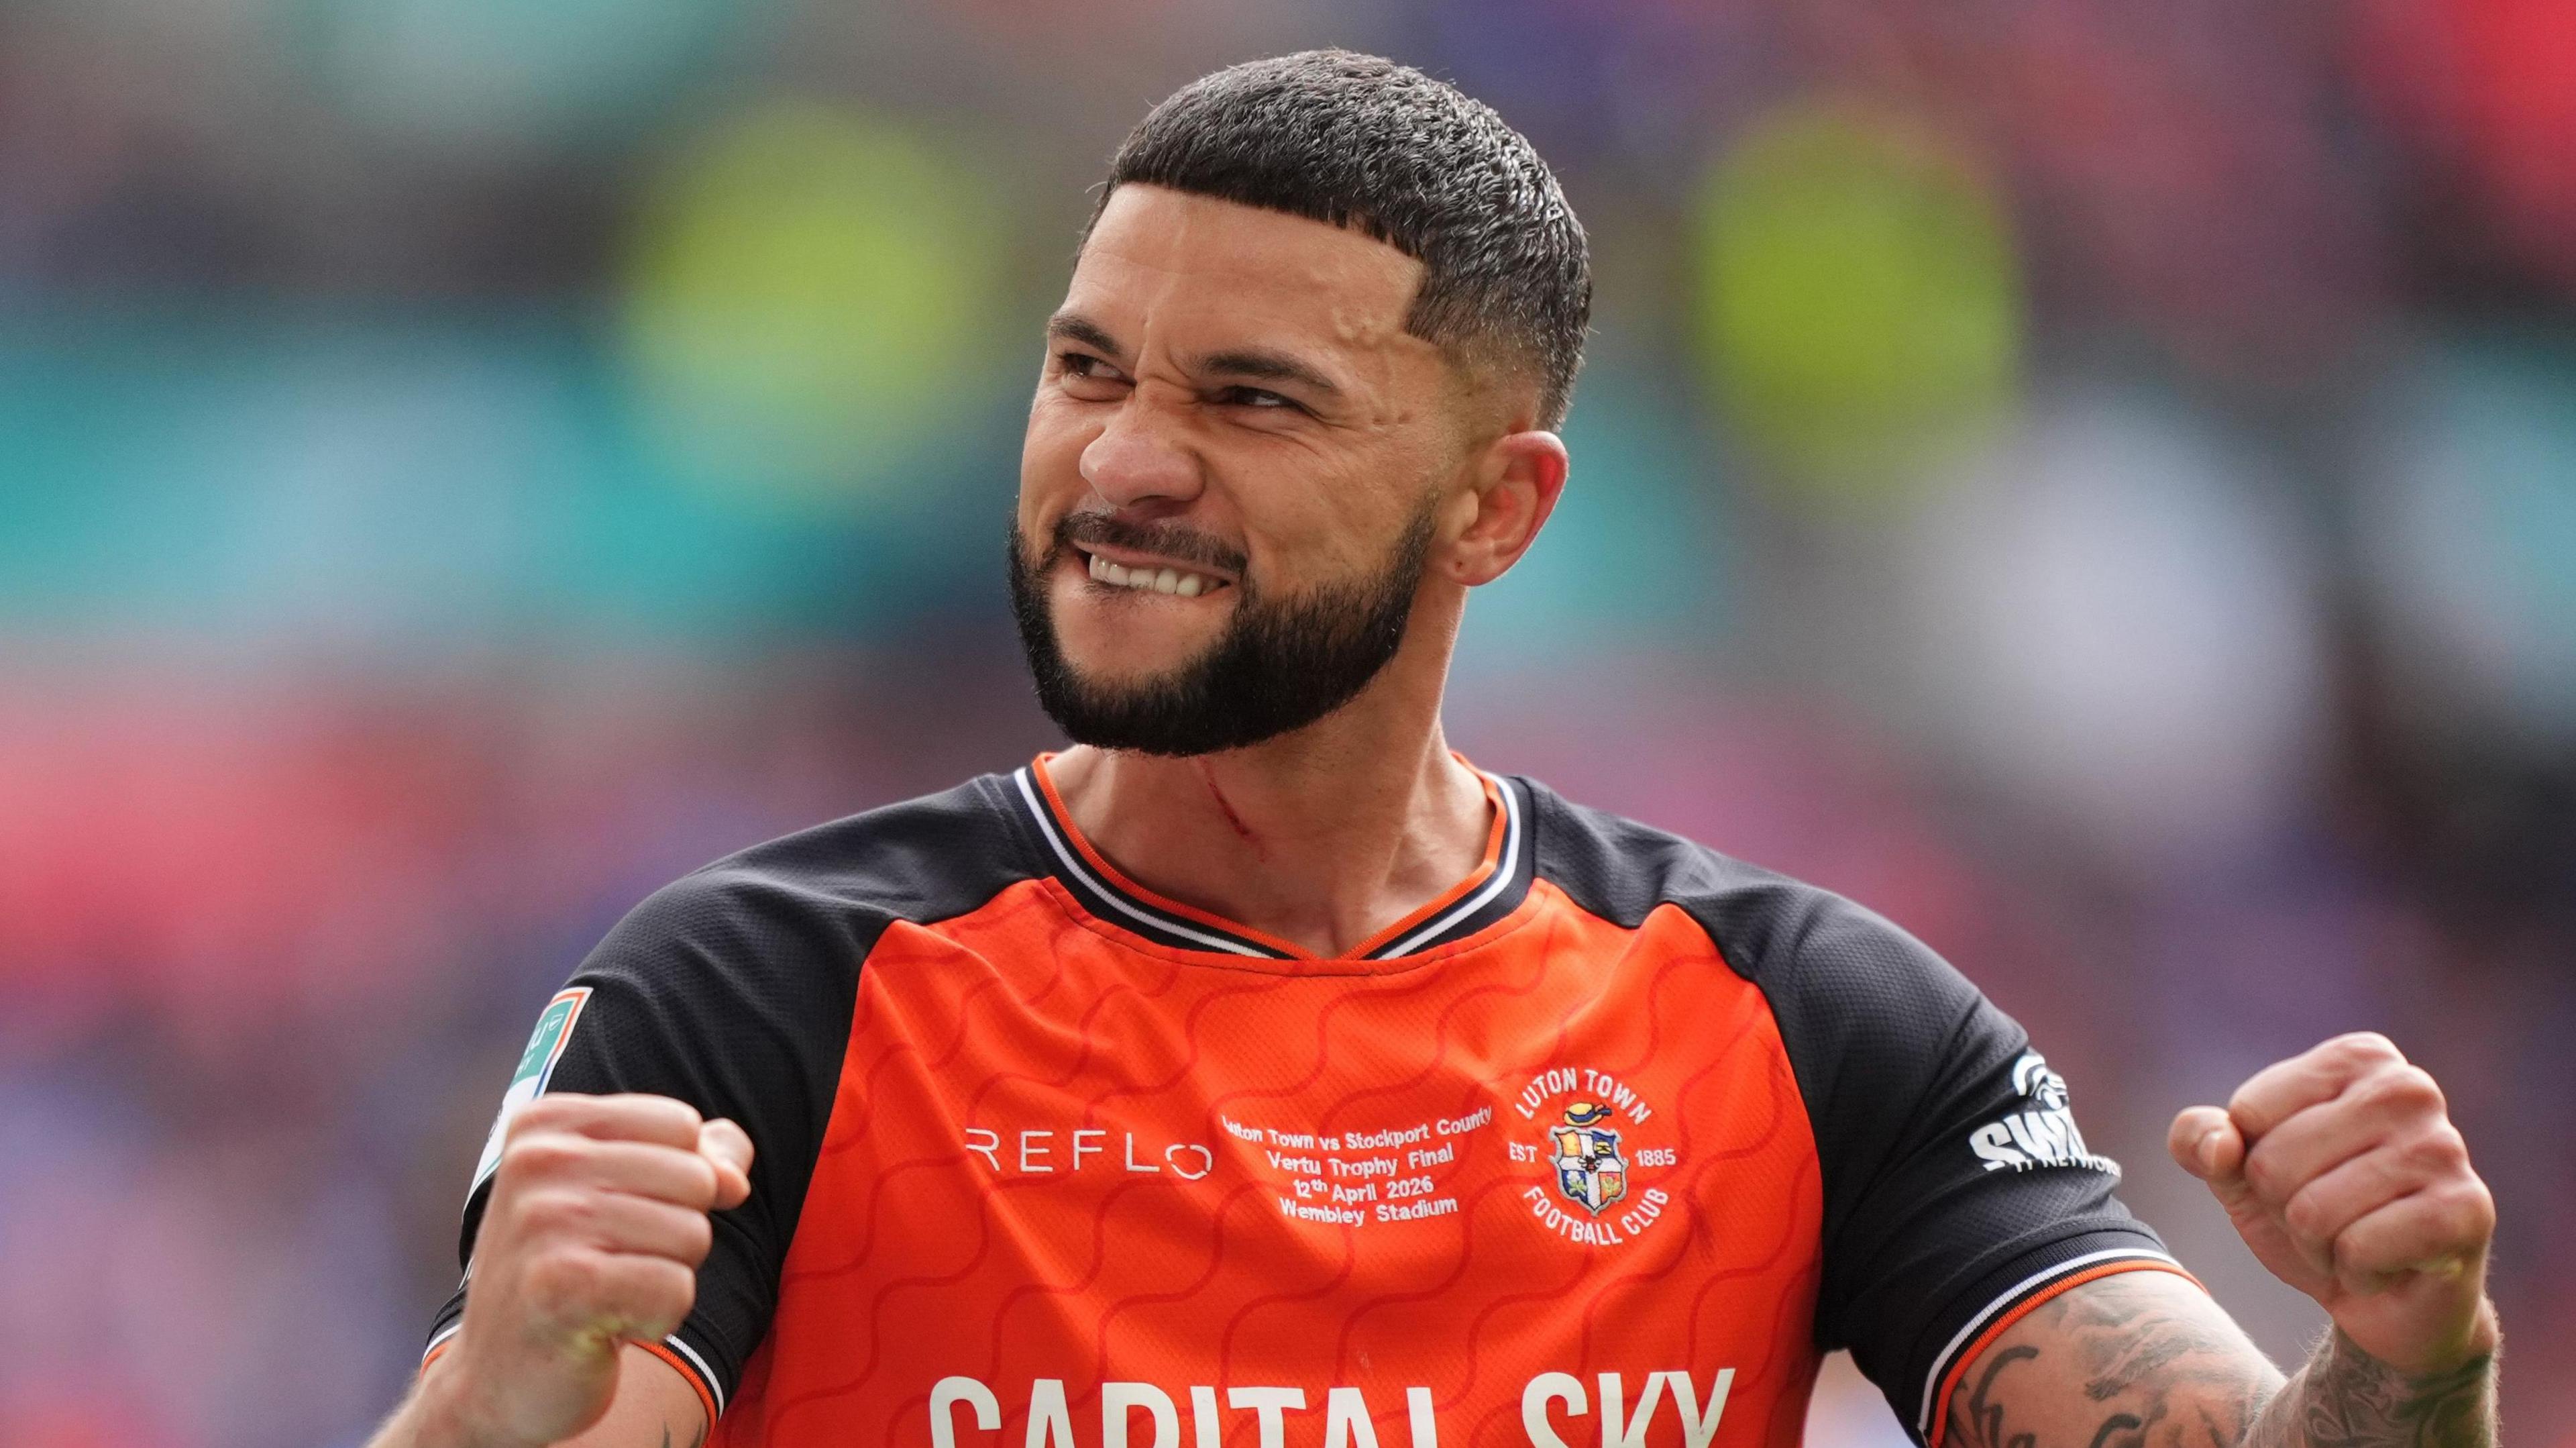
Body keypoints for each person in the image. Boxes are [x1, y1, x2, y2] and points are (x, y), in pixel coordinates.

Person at [364, 50, 2500, 1448]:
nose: (1122, 461)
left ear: (1500, 508)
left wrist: (2411, 1364)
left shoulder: (1802, 1018)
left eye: (1252, 402)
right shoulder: (757, 997)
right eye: (1087, 368)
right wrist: (492, 1401)